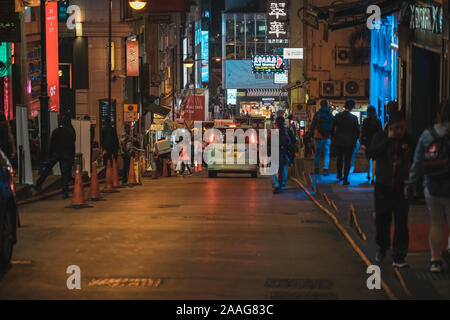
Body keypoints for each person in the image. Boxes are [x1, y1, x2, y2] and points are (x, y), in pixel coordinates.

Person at [405, 101, 450, 273]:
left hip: (431, 186)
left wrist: (409, 183)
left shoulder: (427, 135)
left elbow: (417, 163)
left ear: (438, 115)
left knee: (437, 223)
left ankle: (435, 260)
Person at [369, 111, 415, 268]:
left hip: (402, 186)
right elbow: (372, 153)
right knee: (383, 219)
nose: (400, 131)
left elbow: (415, 161)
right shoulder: (380, 137)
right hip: (383, 185)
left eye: (402, 127)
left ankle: (399, 256)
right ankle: (383, 247)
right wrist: (388, 139)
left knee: (401, 221)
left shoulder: (409, 140)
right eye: (397, 128)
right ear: (390, 127)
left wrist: (412, 183)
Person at [33, 115, 76, 199]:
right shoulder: (70, 132)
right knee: (64, 174)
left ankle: (39, 184)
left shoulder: (56, 131)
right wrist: (72, 156)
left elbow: (52, 144)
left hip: (56, 153)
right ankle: (64, 192)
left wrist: (49, 155)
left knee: (48, 168)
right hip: (65, 154)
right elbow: (72, 146)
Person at [331, 99, 360, 185]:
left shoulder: (338, 116)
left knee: (339, 159)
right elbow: (357, 132)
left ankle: (339, 175)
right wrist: (354, 140)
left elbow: (332, 128)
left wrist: (334, 137)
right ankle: (345, 178)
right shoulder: (354, 118)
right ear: (352, 107)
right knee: (348, 161)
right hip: (350, 143)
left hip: (339, 141)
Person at [269, 116, 295, 194]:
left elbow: (269, 143)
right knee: (283, 169)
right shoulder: (287, 131)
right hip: (285, 153)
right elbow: (293, 142)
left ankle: (276, 184)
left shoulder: (273, 132)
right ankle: (282, 184)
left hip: (275, 153)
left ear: (276, 123)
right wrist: (292, 156)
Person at [310, 100, 334, 176]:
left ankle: (316, 169)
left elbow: (313, 125)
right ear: (327, 105)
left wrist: (311, 135)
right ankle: (325, 169)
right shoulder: (330, 115)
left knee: (317, 153)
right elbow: (333, 126)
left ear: (320, 105)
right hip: (327, 137)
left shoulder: (318, 114)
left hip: (318, 136)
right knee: (327, 153)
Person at [361, 106, 382, 184]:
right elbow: (380, 133)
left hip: (368, 142)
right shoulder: (378, 121)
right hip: (376, 143)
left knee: (367, 159)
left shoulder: (365, 121)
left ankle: (368, 174)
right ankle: (373, 177)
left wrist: (362, 143)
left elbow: (363, 133)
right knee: (374, 160)